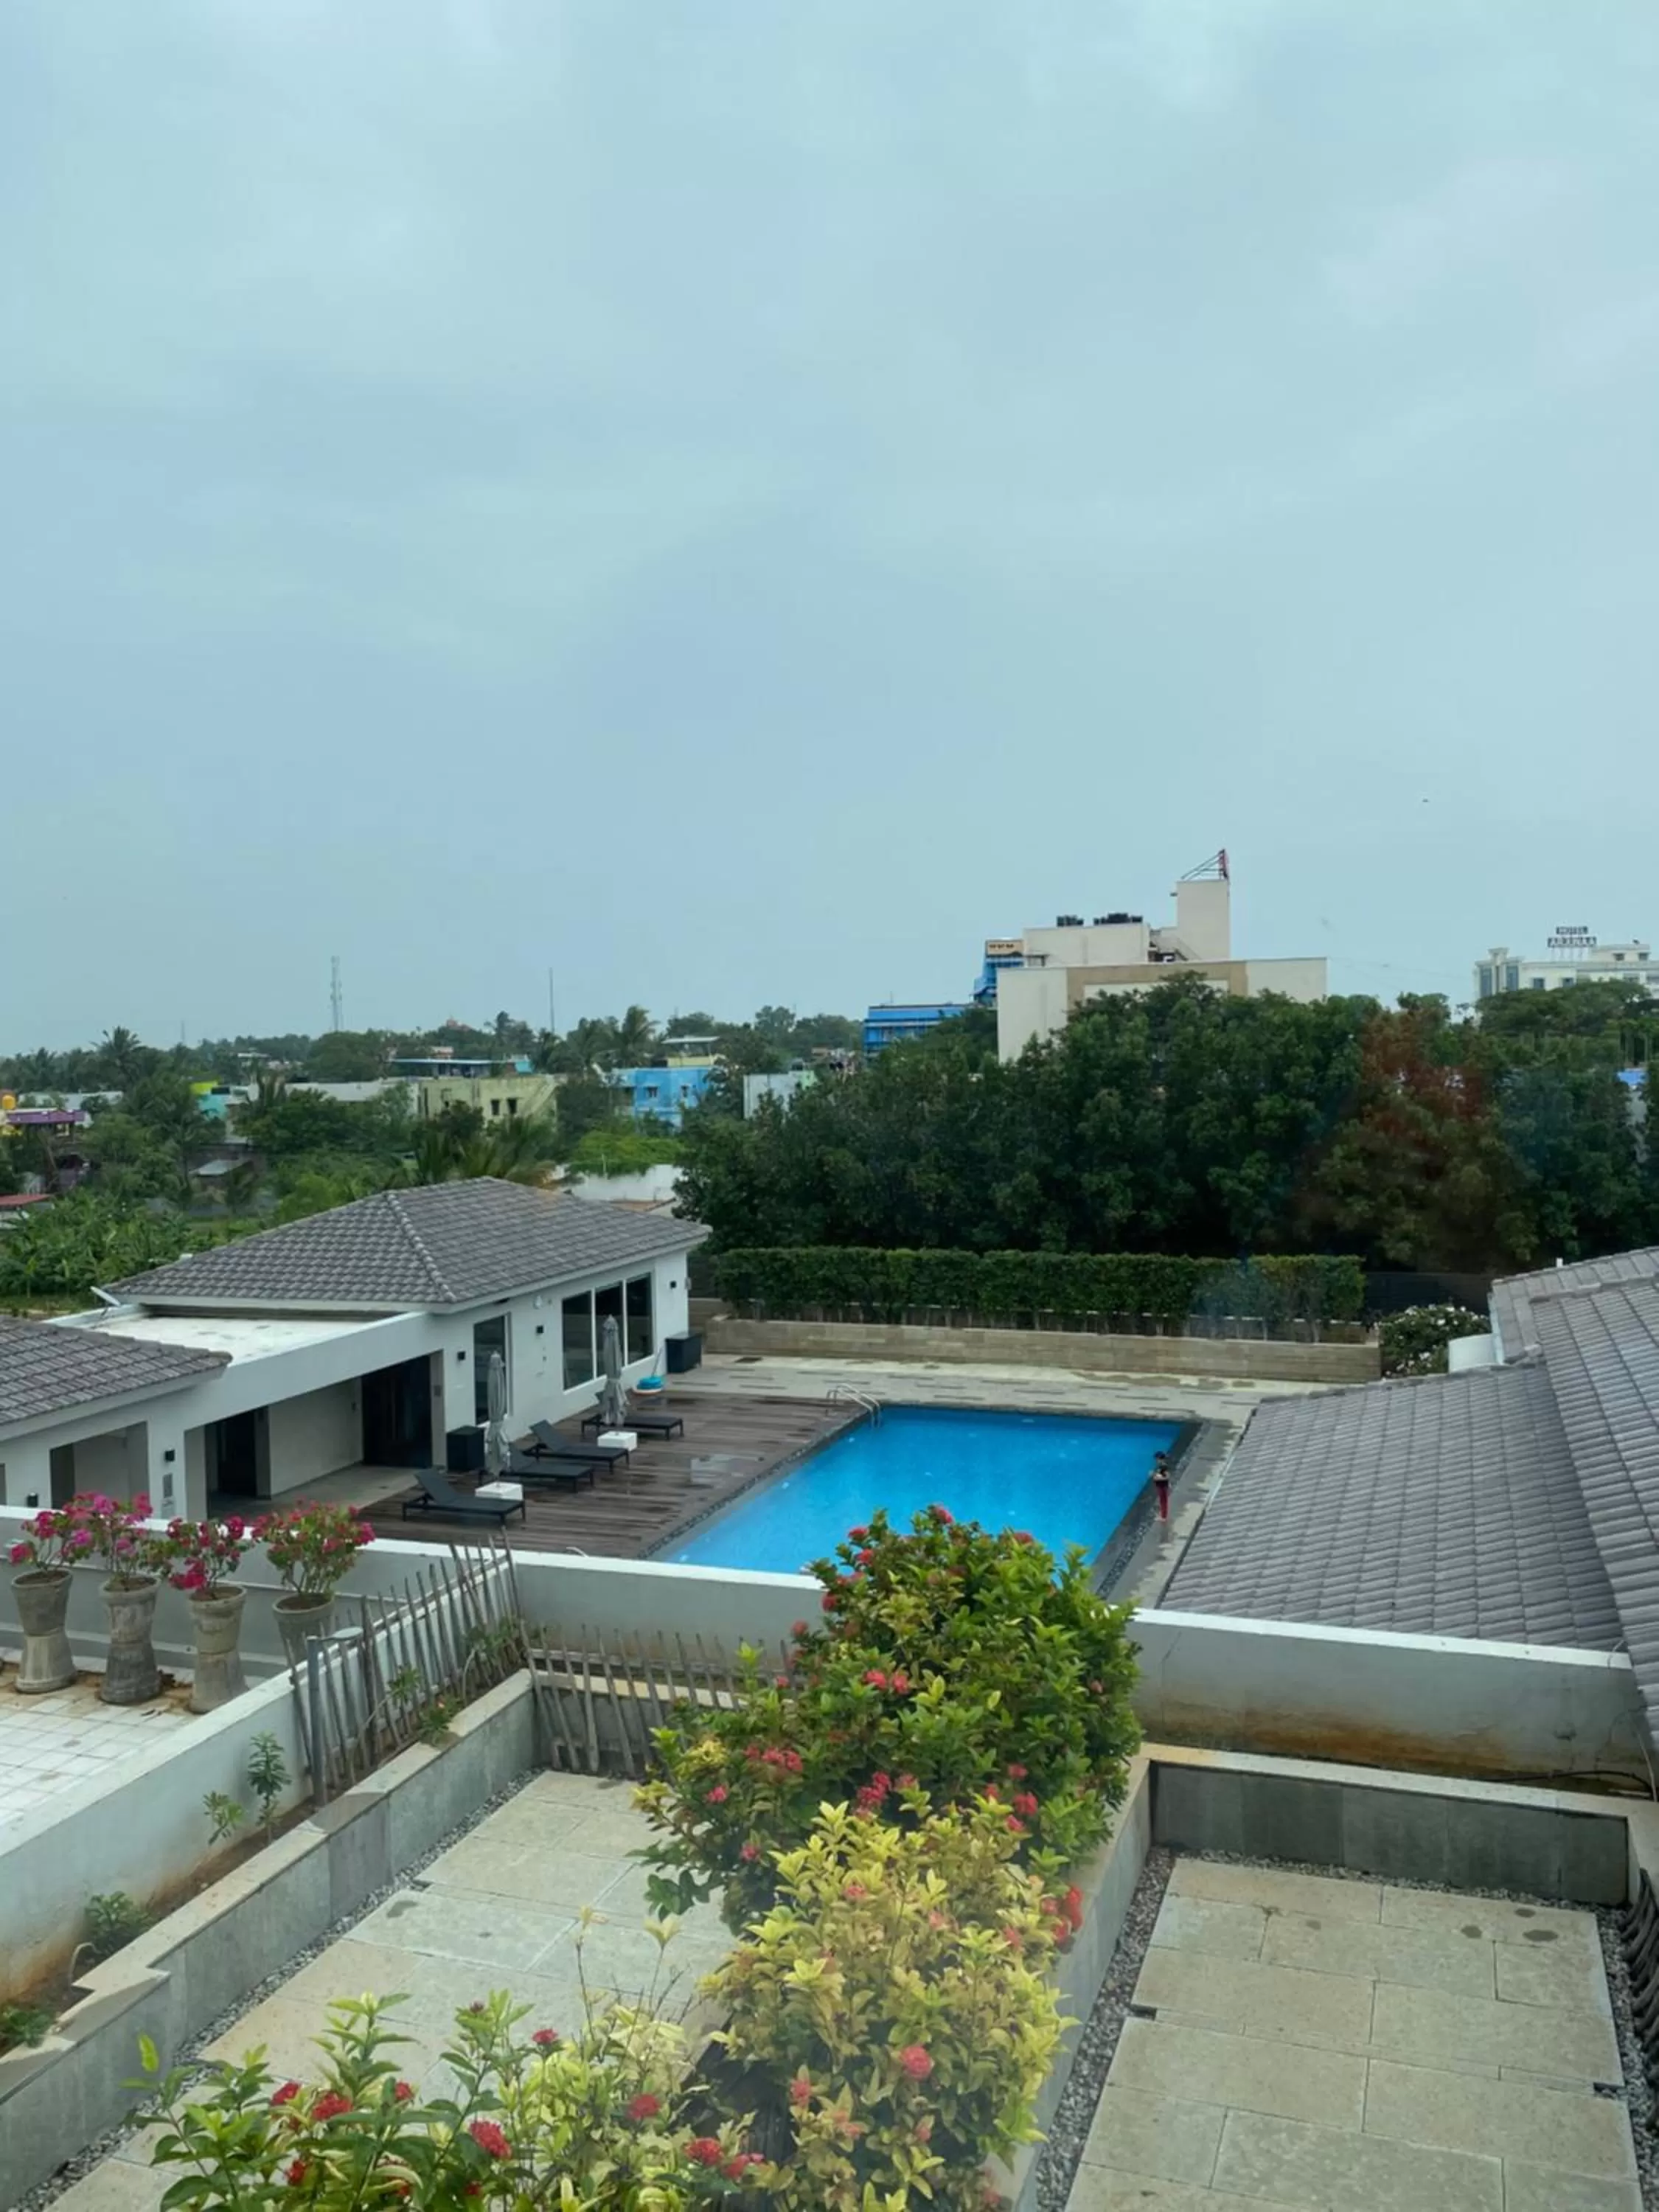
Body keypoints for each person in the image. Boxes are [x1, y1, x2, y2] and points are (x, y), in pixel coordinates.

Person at [1152, 1450, 1171, 1524]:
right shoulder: (1161, 1466)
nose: (1156, 1461)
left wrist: (1157, 1478)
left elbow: (1167, 1477)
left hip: (1162, 1486)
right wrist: (1154, 1475)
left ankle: (1163, 1517)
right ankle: (1163, 1516)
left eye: (1157, 1459)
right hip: (1161, 1486)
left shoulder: (1164, 1466)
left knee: (1163, 1501)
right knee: (1162, 1501)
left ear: (1159, 1458)